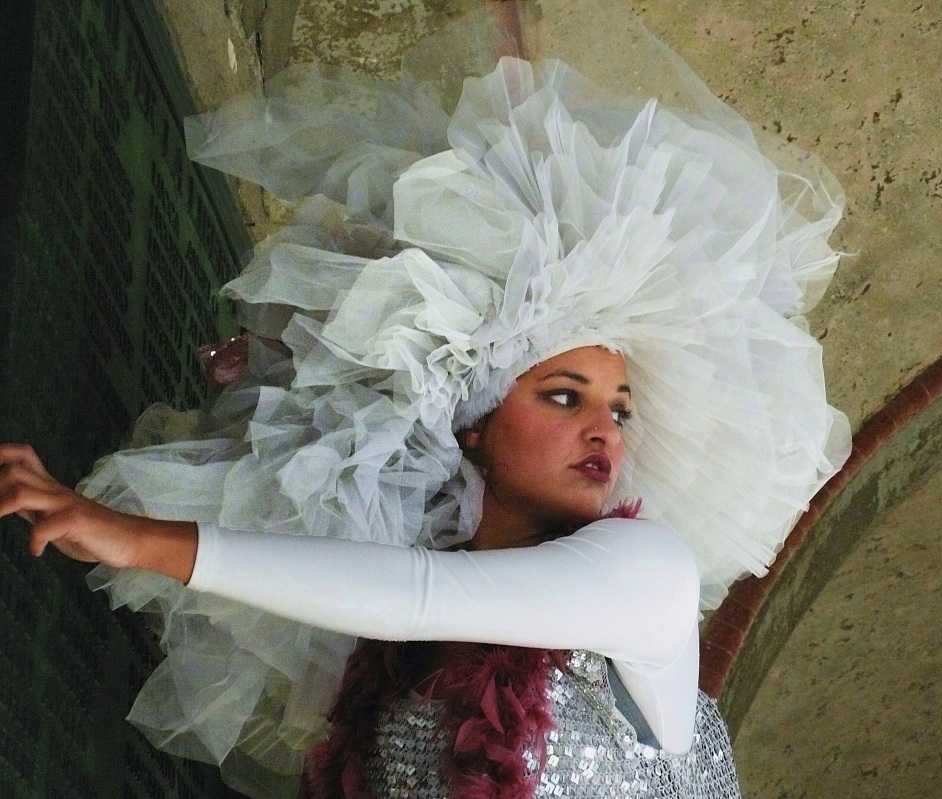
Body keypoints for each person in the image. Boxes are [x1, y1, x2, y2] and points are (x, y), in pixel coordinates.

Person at [0, 3, 850, 798]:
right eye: (564, 395)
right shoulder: (396, 656)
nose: (605, 428)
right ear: (470, 424)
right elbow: (399, 589)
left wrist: (132, 537)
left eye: (620, 409)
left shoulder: (644, 577)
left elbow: (417, 592)